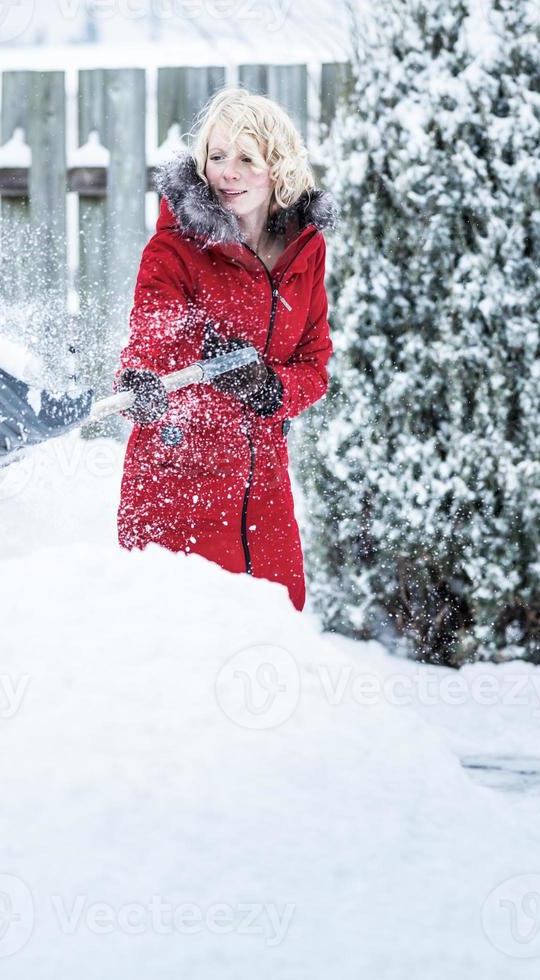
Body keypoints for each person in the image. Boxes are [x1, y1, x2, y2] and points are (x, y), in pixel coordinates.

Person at [114, 88, 335, 611]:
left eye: (245, 158)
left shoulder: (306, 252)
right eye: (217, 156)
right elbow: (152, 335)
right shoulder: (176, 249)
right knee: (178, 641)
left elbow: (315, 362)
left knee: (275, 625)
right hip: (179, 480)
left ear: (277, 169)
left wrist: (271, 390)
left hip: (264, 485)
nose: (227, 172)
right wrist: (142, 380)